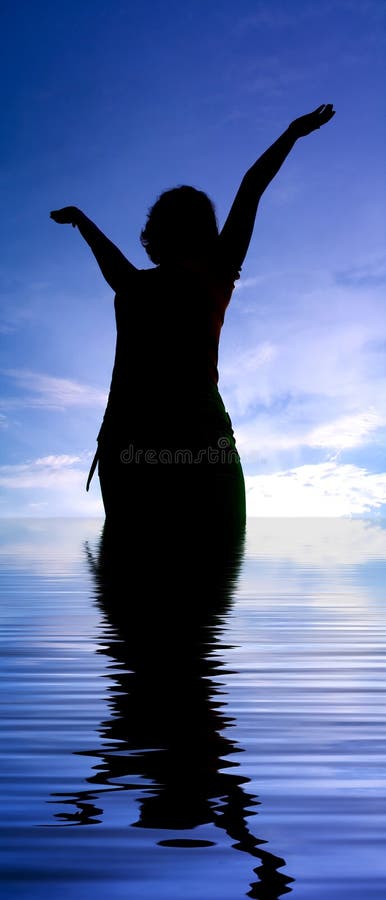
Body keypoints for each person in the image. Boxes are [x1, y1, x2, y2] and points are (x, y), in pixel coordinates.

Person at [51, 104, 335, 532]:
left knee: (145, 580)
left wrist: (292, 134)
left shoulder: (145, 283)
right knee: (200, 578)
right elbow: (250, 187)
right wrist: (291, 134)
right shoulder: (201, 274)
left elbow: (251, 186)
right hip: (174, 442)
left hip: (142, 443)